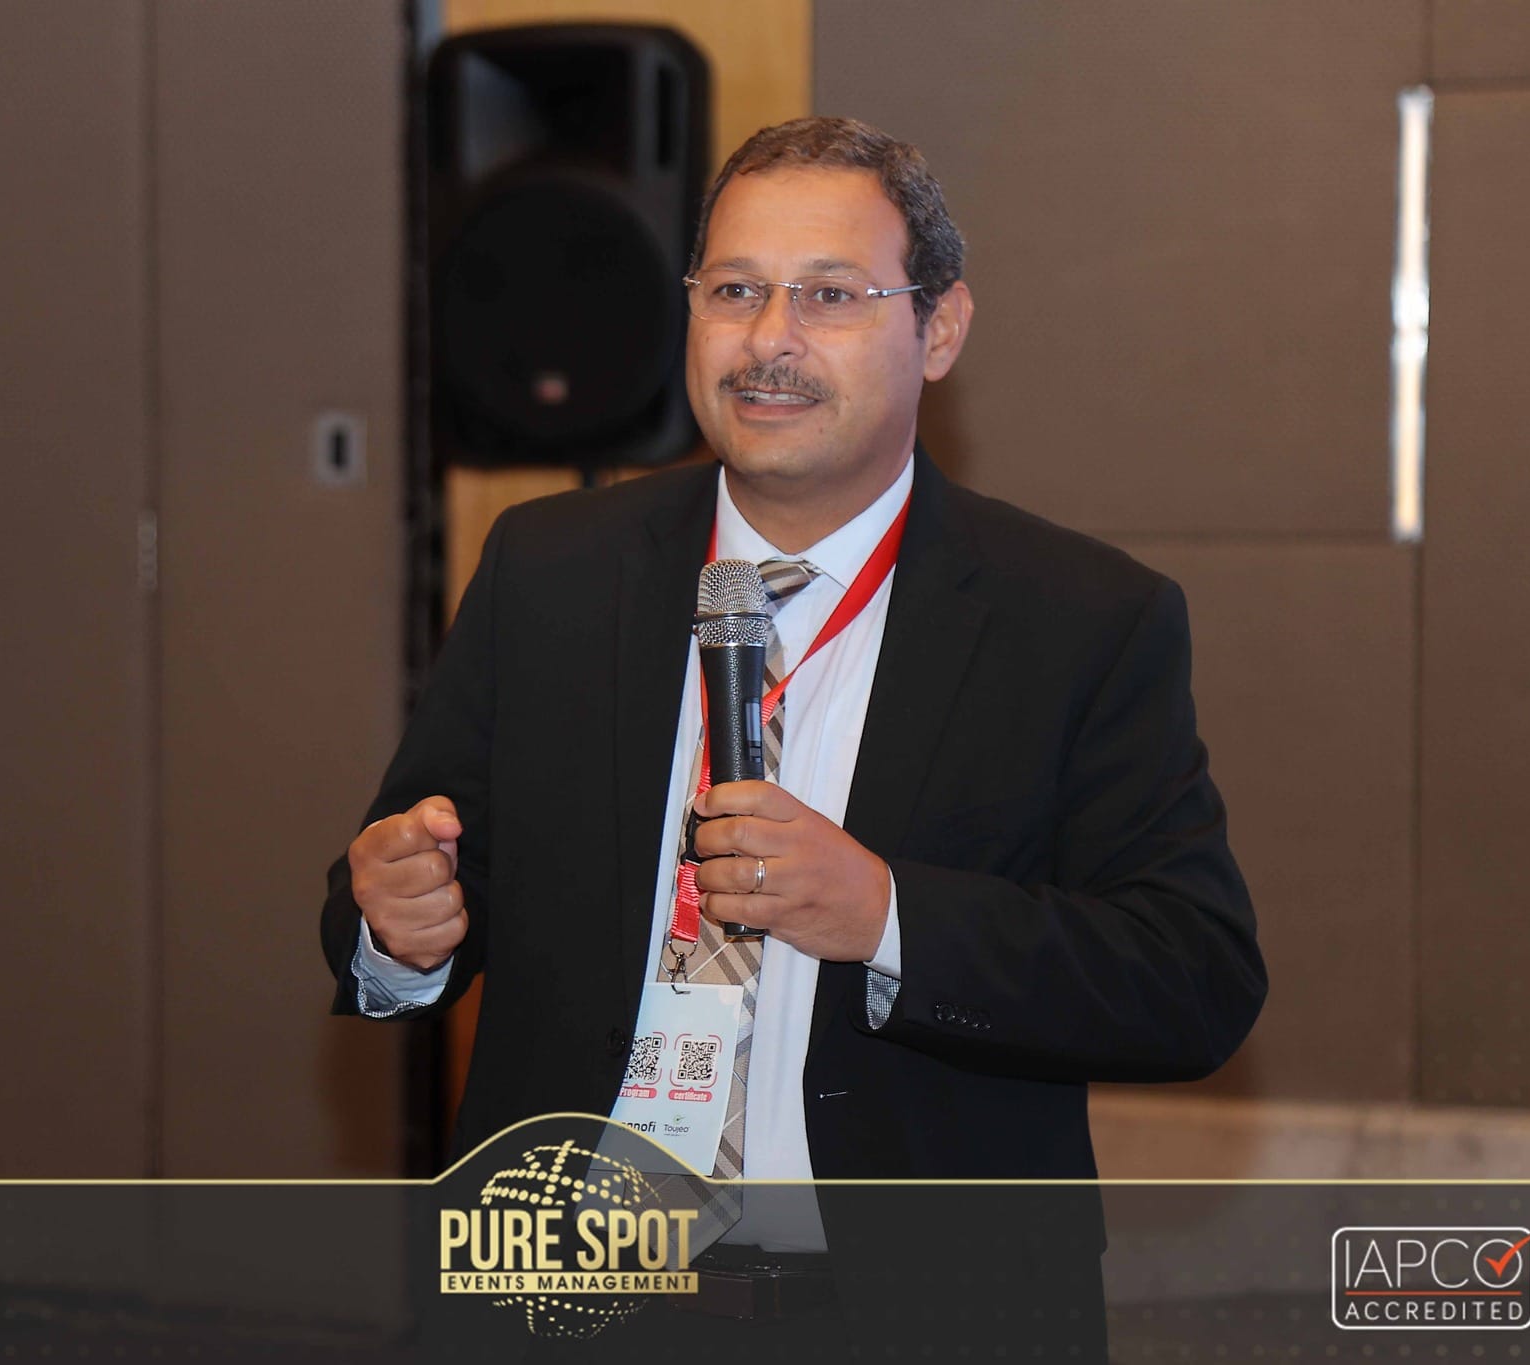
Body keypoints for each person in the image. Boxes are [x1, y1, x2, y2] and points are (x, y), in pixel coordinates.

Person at [322, 117, 1266, 1190]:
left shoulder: (1077, 619)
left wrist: (885, 916)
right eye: (734, 290)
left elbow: (1192, 979)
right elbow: (419, 883)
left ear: (940, 330)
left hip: (908, 1271)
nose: (769, 338)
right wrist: (399, 927)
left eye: (828, 295)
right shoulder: (550, 572)